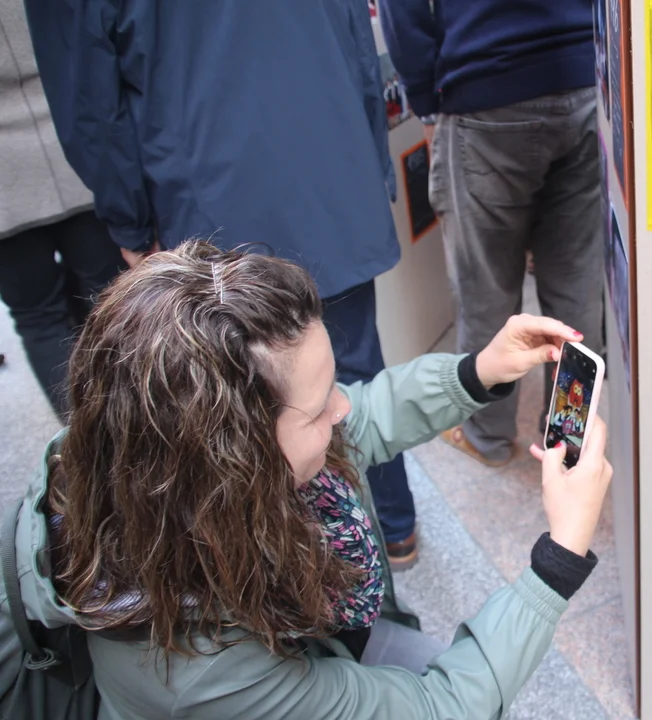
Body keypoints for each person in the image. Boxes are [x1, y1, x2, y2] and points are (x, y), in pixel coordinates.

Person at [0, 241, 613, 718]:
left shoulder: (147, 453)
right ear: (236, 459)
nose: (341, 408)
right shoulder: (201, 672)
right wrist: (558, 558)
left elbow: (364, 415)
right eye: (318, 408)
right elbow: (440, 708)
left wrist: (478, 372)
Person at [26, 1, 422, 566]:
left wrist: (130, 222)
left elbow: (88, 101)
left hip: (209, 192)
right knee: (344, 372)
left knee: (240, 413)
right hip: (325, 163)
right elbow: (358, 41)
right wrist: (368, 157)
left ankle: (299, 571)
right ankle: (388, 532)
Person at [378, 0, 604, 468]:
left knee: (487, 290)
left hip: (485, 89)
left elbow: (403, 11)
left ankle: (489, 438)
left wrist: (426, 102)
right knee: (578, 287)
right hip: (585, 77)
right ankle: (567, 446)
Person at [0, 0, 123, 417]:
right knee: (110, 297)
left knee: (38, 317)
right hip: (75, 145)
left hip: (6, 186)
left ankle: (80, 434)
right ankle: (140, 423)